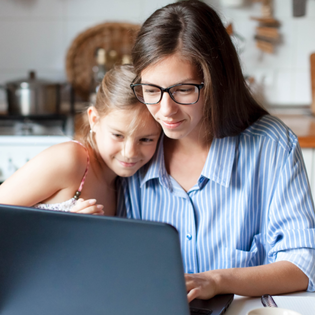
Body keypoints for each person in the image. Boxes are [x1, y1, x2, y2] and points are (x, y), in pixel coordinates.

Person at [117, 0, 315, 302]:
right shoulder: (133, 147)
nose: (165, 110)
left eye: (183, 90)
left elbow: (304, 264)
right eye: (152, 90)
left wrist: (218, 280)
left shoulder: (271, 146)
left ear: (216, 82)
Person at [0, 64, 161, 215]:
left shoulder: (125, 184)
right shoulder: (70, 159)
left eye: (146, 139)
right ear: (94, 119)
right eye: (118, 135)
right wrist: (65, 227)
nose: (130, 152)